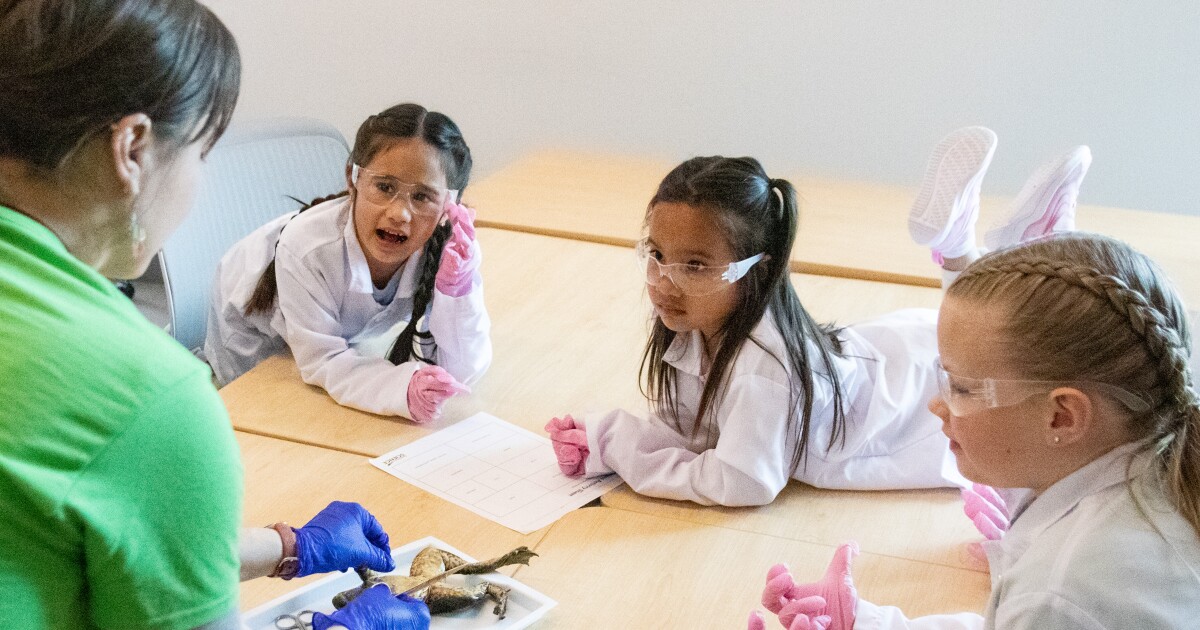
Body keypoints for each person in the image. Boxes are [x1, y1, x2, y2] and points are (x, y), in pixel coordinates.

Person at [0, 1, 426, 628]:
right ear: (133, 149)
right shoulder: (149, 398)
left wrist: (283, 547)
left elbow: (87, 540)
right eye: (204, 150)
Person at [543, 135, 1087, 507]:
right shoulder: (700, 325)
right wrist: (610, 439)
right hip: (874, 360)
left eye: (695, 265)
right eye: (655, 254)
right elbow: (697, 426)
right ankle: (976, 244)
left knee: (1018, 352)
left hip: (907, 394)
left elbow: (742, 480)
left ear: (757, 270)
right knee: (985, 328)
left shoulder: (763, 368)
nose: (663, 279)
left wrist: (618, 445)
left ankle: (1015, 247)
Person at [750, 233, 1200, 629]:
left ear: (1062, 416)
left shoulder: (1065, 591)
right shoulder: (1156, 463)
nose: (937, 404)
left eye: (962, 387)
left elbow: (1046, 610)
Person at [204, 103, 489, 423]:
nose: (399, 214)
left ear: (450, 207)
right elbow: (323, 361)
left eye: (422, 197)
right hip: (252, 339)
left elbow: (464, 372)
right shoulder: (307, 249)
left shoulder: (451, 254)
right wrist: (399, 389)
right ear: (353, 179)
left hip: (331, 333)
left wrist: (458, 292)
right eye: (384, 187)